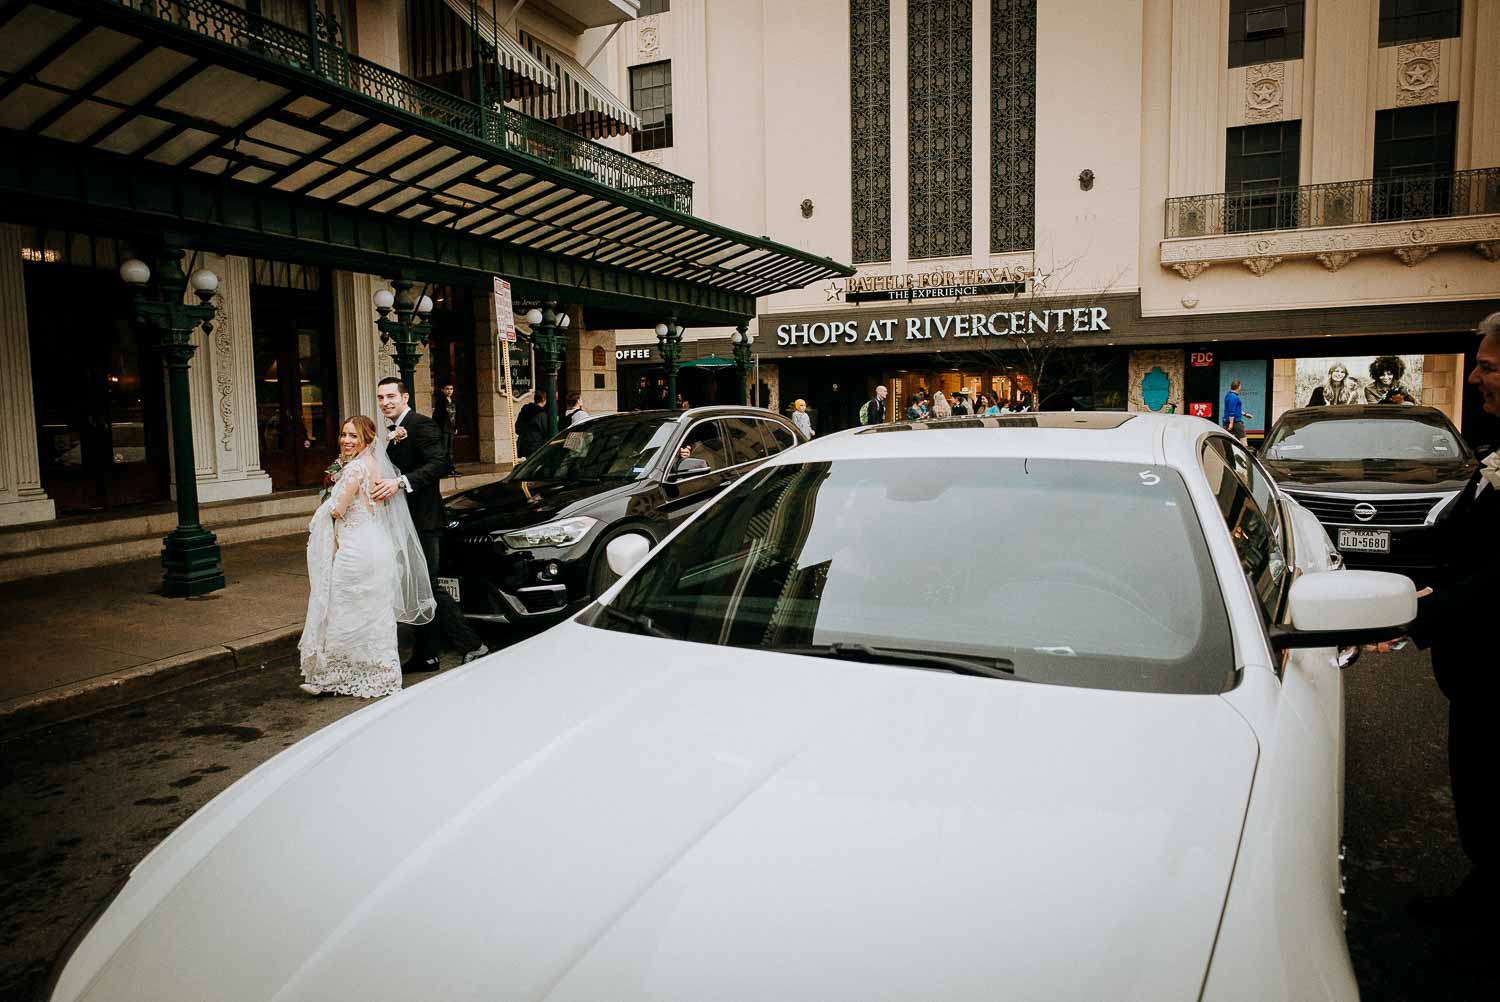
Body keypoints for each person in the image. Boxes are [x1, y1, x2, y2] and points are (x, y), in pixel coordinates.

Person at [298, 415, 435, 697]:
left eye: (353, 436)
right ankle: (383, 674)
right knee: (373, 613)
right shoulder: (375, 465)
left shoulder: (354, 469)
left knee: (342, 609)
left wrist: (326, 505)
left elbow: (338, 509)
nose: (346, 441)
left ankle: (332, 676)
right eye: (344, 435)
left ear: (367, 440)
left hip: (356, 550)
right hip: (377, 545)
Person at [370, 377, 487, 672]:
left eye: (391, 396)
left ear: (405, 397)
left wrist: (401, 482)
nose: (385, 402)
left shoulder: (422, 425)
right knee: (416, 587)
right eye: (381, 397)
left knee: (429, 586)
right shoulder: (392, 431)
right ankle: (427, 655)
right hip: (403, 521)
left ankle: (474, 646)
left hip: (424, 521)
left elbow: (440, 464)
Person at [515, 388, 549, 459]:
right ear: (543, 399)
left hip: (524, 444)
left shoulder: (525, 410)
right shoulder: (541, 414)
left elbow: (517, 427)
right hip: (536, 445)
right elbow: (545, 431)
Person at [433, 381, 458, 475]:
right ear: (443, 390)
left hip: (451, 429)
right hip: (443, 429)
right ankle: (443, 470)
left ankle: (451, 469)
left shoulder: (453, 401)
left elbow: (455, 415)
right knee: (444, 450)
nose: (449, 391)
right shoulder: (440, 402)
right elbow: (436, 416)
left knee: (450, 450)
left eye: (451, 389)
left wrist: (455, 427)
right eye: (447, 389)